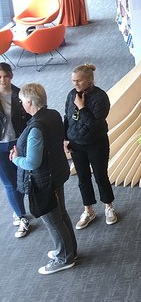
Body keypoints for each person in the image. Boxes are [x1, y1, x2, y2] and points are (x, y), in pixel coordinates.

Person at [12, 83, 77, 274]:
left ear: (30, 101)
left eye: (22, 100)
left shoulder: (35, 128)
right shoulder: (53, 114)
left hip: (44, 181)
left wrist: (16, 158)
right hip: (57, 173)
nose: (21, 103)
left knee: (52, 220)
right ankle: (69, 250)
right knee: (61, 215)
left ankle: (64, 257)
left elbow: (32, 163)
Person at [64, 64, 117, 230]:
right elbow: (67, 117)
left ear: (89, 79)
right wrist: (65, 138)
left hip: (96, 143)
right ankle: (88, 210)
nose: (75, 84)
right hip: (76, 144)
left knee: (100, 176)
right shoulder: (72, 94)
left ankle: (108, 207)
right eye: (73, 81)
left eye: (78, 81)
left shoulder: (101, 97)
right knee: (83, 178)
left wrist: (82, 108)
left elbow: (94, 125)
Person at [0, 63, 31, 238]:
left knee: (22, 180)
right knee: (10, 184)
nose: (2, 80)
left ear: (11, 75)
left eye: (5, 76)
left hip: (17, 143)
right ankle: (21, 216)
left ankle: (17, 207)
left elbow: (30, 118)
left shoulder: (20, 95)